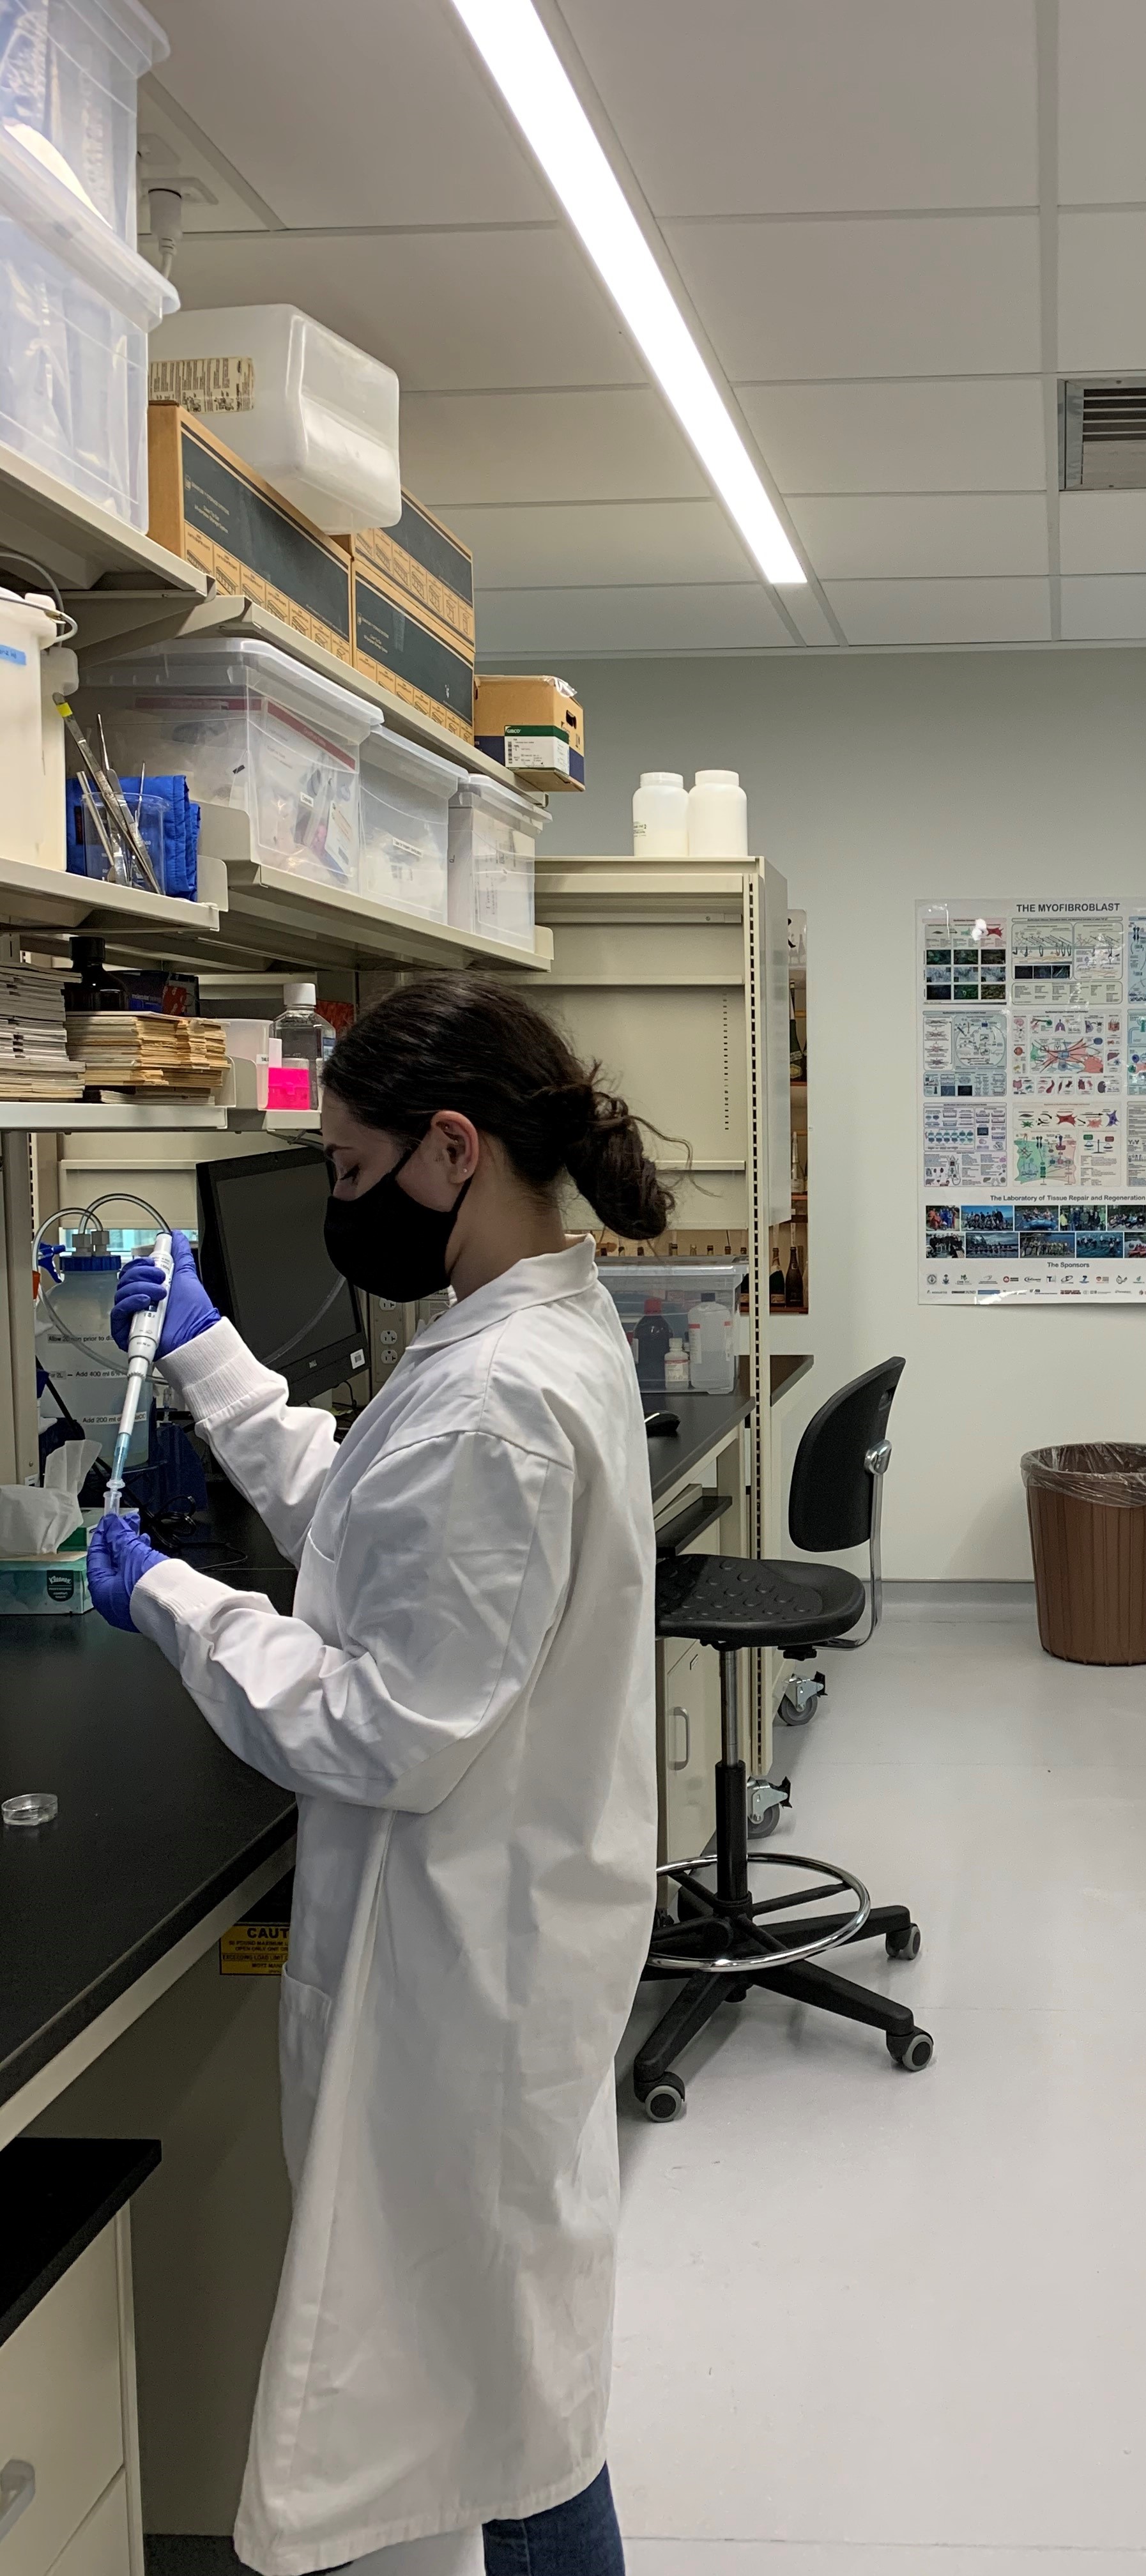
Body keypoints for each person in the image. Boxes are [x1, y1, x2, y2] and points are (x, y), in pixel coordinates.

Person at [87, 976, 669, 2576]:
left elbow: (383, 1729)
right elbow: (377, 1516)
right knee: (511, 2367)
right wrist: (215, 1369)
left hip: (470, 1954)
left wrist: (174, 1602)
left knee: (517, 2396)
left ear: (452, 1152)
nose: (340, 1201)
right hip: (505, 1919)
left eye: (350, 1171)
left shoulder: (497, 1396)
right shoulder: (524, 1332)